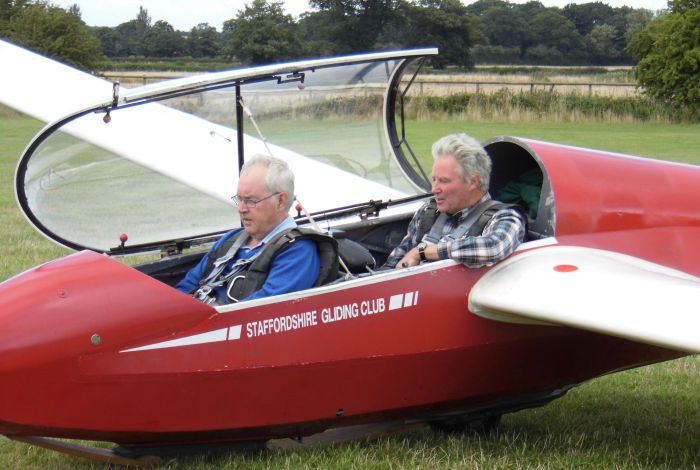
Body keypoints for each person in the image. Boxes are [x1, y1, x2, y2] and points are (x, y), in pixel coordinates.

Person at [175, 154, 321, 304]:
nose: (241, 209)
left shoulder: (297, 251)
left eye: (251, 201)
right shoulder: (230, 240)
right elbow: (185, 287)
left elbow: (259, 312)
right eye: (239, 199)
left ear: (280, 201)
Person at [384, 133, 526, 269]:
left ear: (473, 182)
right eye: (434, 179)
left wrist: (422, 252)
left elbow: (494, 247)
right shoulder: (428, 211)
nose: (435, 189)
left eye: (444, 181)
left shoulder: (506, 217)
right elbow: (395, 261)